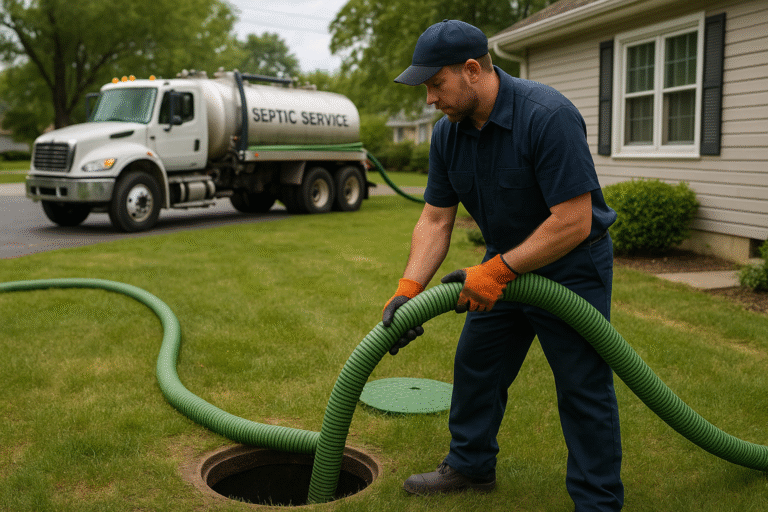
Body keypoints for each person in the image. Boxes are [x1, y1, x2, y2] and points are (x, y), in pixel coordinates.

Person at [381, 20, 624, 511]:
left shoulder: (547, 115)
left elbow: (573, 221)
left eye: (435, 83)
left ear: (472, 70)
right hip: (503, 263)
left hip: (571, 265)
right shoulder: (448, 135)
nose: (429, 98)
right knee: (478, 364)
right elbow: (434, 218)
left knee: (582, 385)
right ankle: (470, 468)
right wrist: (408, 289)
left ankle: (598, 501)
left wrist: (496, 272)